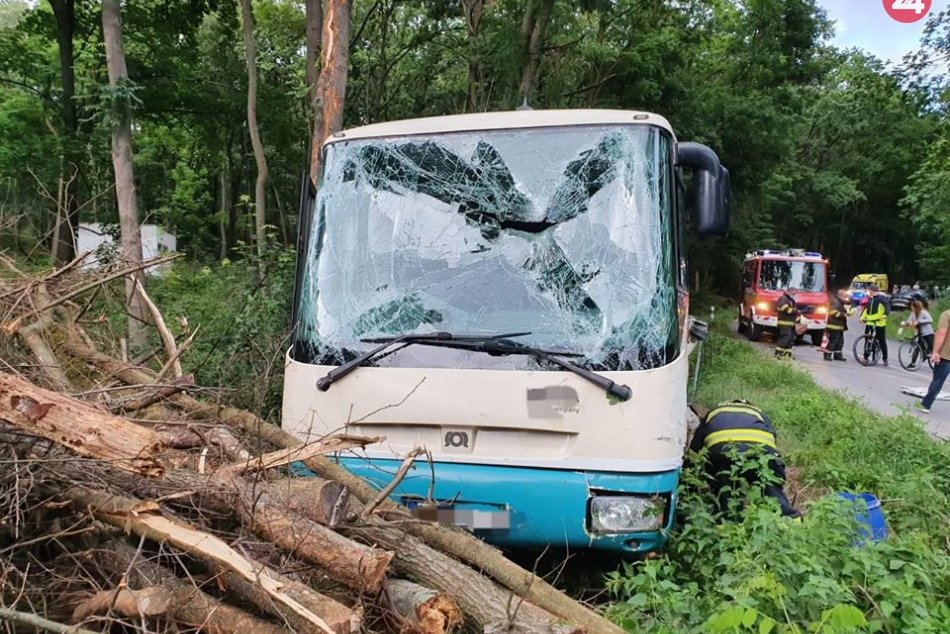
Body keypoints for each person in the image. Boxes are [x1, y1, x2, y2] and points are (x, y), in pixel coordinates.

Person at [689, 400, 801, 519]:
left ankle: (730, 526)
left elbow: (695, 451)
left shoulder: (713, 412)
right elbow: (772, 439)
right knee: (772, 492)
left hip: (723, 453)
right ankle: (791, 521)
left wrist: (690, 481)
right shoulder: (758, 412)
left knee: (727, 497)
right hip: (761, 452)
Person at [917, 309, 950, 414]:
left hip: (945, 355)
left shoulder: (947, 315)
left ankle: (926, 405)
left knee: (938, 381)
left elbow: (941, 333)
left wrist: (935, 351)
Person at [860, 284, 889, 366]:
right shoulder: (869, 299)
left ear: (872, 291)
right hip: (869, 322)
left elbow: (887, 306)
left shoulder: (881, 299)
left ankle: (885, 358)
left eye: (869, 290)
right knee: (867, 340)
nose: (868, 292)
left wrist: (885, 315)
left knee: (882, 340)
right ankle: (865, 357)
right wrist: (862, 317)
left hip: (879, 323)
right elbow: (866, 310)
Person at [901, 299, 934, 369]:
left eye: (912, 306)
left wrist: (919, 321)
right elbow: (909, 320)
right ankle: (913, 363)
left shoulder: (923, 312)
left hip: (928, 332)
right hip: (920, 333)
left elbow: (930, 320)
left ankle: (933, 357)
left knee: (932, 346)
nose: (911, 308)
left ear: (916, 307)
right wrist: (906, 323)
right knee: (917, 347)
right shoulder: (913, 314)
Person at [824, 289, 854, 361]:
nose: (845, 298)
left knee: (840, 342)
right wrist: (845, 315)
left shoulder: (839, 302)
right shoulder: (835, 302)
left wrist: (851, 298)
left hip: (839, 326)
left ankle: (837, 355)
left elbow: (848, 302)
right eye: (845, 296)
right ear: (841, 296)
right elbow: (833, 313)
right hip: (834, 326)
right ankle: (827, 355)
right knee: (833, 341)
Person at [775, 288, 799, 360]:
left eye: (795, 294)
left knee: (791, 339)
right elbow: (785, 309)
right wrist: (797, 311)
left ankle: (787, 354)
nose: (794, 295)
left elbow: (792, 313)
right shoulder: (783, 299)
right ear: (788, 292)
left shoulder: (791, 300)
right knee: (785, 338)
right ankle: (778, 354)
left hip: (791, 324)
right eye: (793, 294)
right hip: (784, 323)